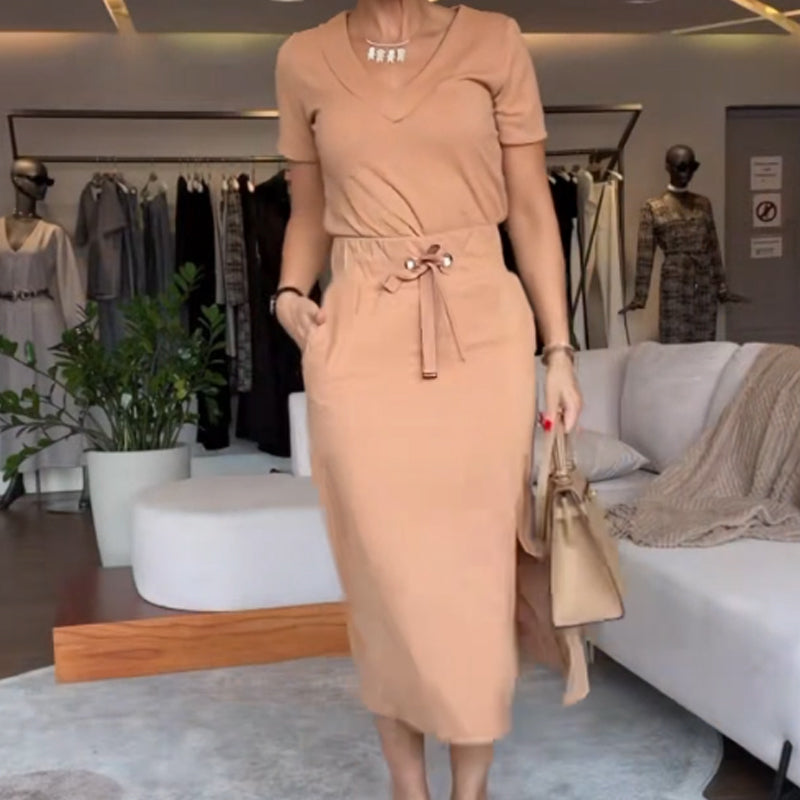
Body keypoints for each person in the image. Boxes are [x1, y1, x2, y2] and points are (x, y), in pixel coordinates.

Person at [272, 2, 582, 798]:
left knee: (475, 572)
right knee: (382, 572)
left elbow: (532, 208)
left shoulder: (495, 41)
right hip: (360, 332)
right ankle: (407, 787)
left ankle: (469, 788)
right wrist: (288, 292)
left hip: (482, 329)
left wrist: (559, 349)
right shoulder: (302, 58)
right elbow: (308, 210)